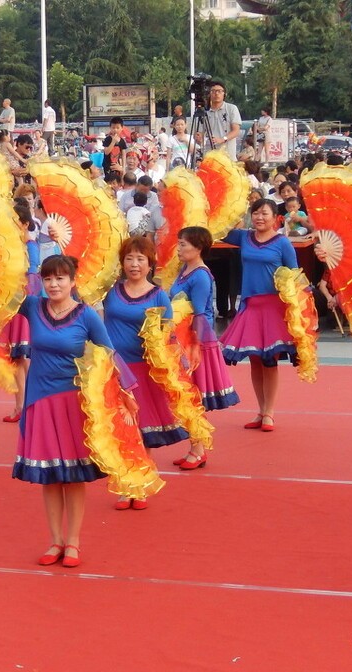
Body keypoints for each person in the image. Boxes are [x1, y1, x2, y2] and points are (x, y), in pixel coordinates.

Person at [15, 254, 137, 568]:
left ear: (73, 281)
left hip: (75, 402)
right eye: (48, 278)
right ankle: (55, 540)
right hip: (40, 401)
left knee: (72, 476)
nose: (53, 284)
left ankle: (73, 542)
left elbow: (109, 354)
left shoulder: (86, 315)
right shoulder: (33, 306)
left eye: (60, 278)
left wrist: (125, 393)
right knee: (50, 475)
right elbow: (0, 292)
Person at [102, 236, 190, 509]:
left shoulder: (158, 295)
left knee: (142, 430)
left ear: (150, 264)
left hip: (145, 372)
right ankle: (125, 484)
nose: (134, 264)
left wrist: (178, 364)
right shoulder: (110, 291)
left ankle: (140, 486)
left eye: (140, 259)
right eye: (129, 258)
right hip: (114, 369)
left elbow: (168, 335)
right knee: (120, 430)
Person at [220, 199, 299, 431]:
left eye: (264, 213)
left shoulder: (282, 243)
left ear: (275, 217)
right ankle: (261, 410)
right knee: (254, 360)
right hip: (250, 306)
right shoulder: (244, 237)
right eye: (255, 213)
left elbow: (295, 274)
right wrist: (228, 206)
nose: (259, 217)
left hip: (273, 307)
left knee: (269, 360)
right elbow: (219, 230)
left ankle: (270, 413)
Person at [169, 226, 239, 467]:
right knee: (186, 395)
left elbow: (198, 314)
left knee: (193, 395)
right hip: (184, 338)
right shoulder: (185, 270)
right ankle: (195, 446)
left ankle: (198, 449)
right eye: (179, 243)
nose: (179, 249)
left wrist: (193, 348)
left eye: (183, 244)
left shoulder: (200, 275)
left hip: (195, 341)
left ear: (198, 248)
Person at [0, 203, 41, 424]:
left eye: (16, 222)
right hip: (14, 303)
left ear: (25, 224)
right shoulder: (13, 246)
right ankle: (22, 405)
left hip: (23, 305)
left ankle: (23, 405)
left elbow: (32, 278)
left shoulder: (30, 246)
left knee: (20, 358)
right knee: (18, 359)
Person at [202, 82, 242, 158]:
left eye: (219, 91)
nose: (216, 93)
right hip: (210, 155)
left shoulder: (231, 108)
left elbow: (236, 131)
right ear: (209, 94)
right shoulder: (205, 112)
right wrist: (199, 137)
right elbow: (201, 133)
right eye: (213, 91)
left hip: (228, 155)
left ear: (224, 94)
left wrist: (222, 139)